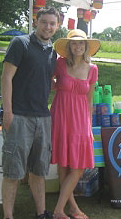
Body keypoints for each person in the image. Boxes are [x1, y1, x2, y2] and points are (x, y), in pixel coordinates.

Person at [1, 7, 60, 219]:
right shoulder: (20, 44)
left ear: (57, 26)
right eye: (44, 22)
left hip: (43, 118)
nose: (48, 27)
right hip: (20, 116)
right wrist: (8, 112)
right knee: (13, 172)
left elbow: (44, 79)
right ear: (36, 21)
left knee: (39, 170)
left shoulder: (52, 51)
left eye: (52, 23)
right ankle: (8, 216)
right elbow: (6, 78)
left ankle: (41, 213)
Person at [50, 29, 100, 219]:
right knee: (63, 165)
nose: (78, 46)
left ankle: (59, 210)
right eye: (74, 43)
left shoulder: (92, 69)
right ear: (69, 47)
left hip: (80, 119)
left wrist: (88, 124)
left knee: (78, 167)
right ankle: (69, 208)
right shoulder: (60, 64)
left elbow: (89, 100)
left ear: (86, 47)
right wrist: (54, 84)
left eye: (81, 43)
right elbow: (49, 82)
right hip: (61, 116)